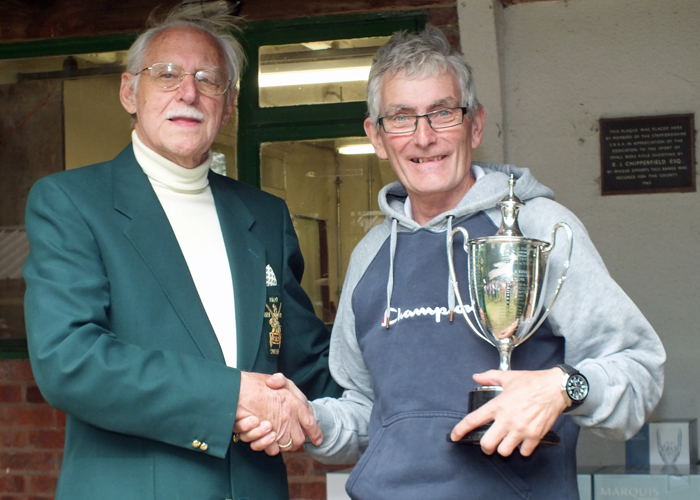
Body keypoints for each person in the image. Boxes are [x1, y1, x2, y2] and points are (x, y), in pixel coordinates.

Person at [237, 25, 666, 499]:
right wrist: (308, 419)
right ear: (377, 137)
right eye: (401, 118)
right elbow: (365, 412)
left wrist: (564, 387)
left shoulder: (540, 229)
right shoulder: (371, 255)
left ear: (475, 125)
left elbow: (639, 374)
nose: (424, 137)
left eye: (442, 113)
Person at [22, 4, 340, 500]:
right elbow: (69, 360)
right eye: (166, 74)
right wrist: (233, 396)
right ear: (130, 92)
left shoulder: (265, 216)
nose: (187, 92)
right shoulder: (71, 202)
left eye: (208, 80)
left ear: (228, 104)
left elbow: (308, 365)